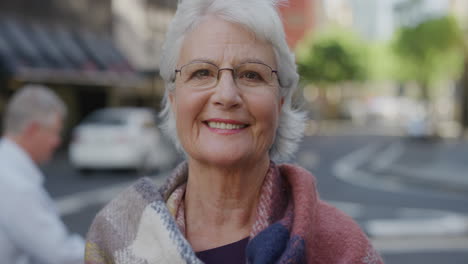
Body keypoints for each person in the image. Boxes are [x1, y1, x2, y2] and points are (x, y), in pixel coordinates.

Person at [85, 0, 384, 263]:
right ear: (174, 101)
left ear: (280, 104)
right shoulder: (114, 238)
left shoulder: (344, 248)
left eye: (251, 75)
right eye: (202, 72)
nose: (226, 95)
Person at [0, 85, 84, 264]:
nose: (58, 141)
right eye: (54, 132)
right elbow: (60, 254)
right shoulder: (16, 186)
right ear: (32, 130)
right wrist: (105, 250)